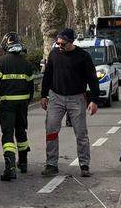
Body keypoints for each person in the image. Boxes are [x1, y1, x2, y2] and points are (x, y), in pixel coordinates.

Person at [40, 28, 99, 177]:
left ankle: (84, 165)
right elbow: (47, 75)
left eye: (63, 44)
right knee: (51, 130)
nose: (60, 46)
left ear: (71, 42)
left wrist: (94, 100)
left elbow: (92, 78)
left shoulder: (83, 57)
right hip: (56, 97)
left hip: (76, 98)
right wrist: (43, 95)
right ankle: (51, 164)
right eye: (58, 43)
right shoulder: (54, 55)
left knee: (80, 133)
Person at [0, 32, 37, 181]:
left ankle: (10, 168)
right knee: (21, 132)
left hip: (7, 105)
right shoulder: (27, 64)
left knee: (7, 135)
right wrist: (26, 101)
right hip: (22, 105)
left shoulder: (0, 62)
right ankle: (23, 162)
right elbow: (31, 88)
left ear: (5, 46)